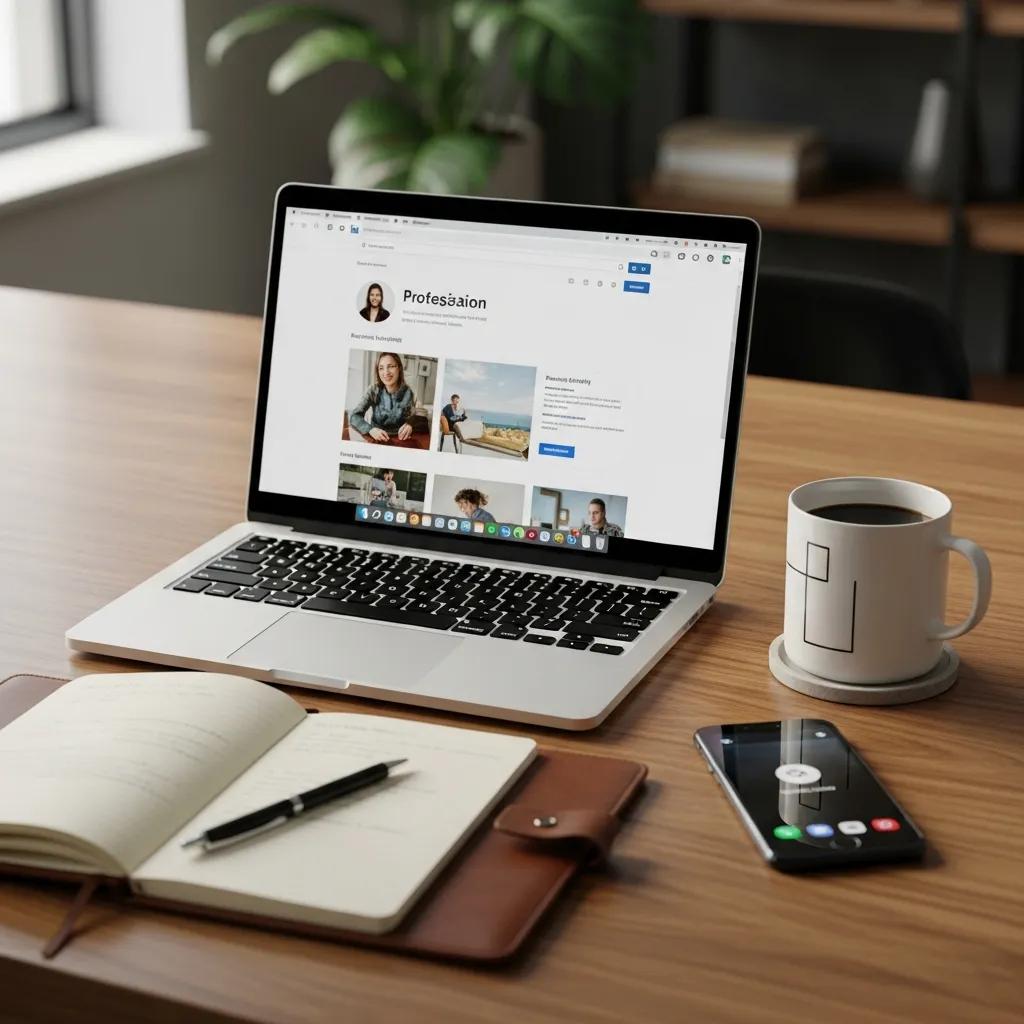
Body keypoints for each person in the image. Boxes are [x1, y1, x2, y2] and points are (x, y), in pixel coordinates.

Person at [349, 352, 415, 442]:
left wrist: (410, 424)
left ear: (399, 368)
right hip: (376, 438)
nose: (386, 372)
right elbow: (354, 416)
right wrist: (370, 429)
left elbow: (413, 415)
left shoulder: (408, 392)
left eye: (391, 366)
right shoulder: (373, 390)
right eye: (381, 368)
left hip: (400, 439)